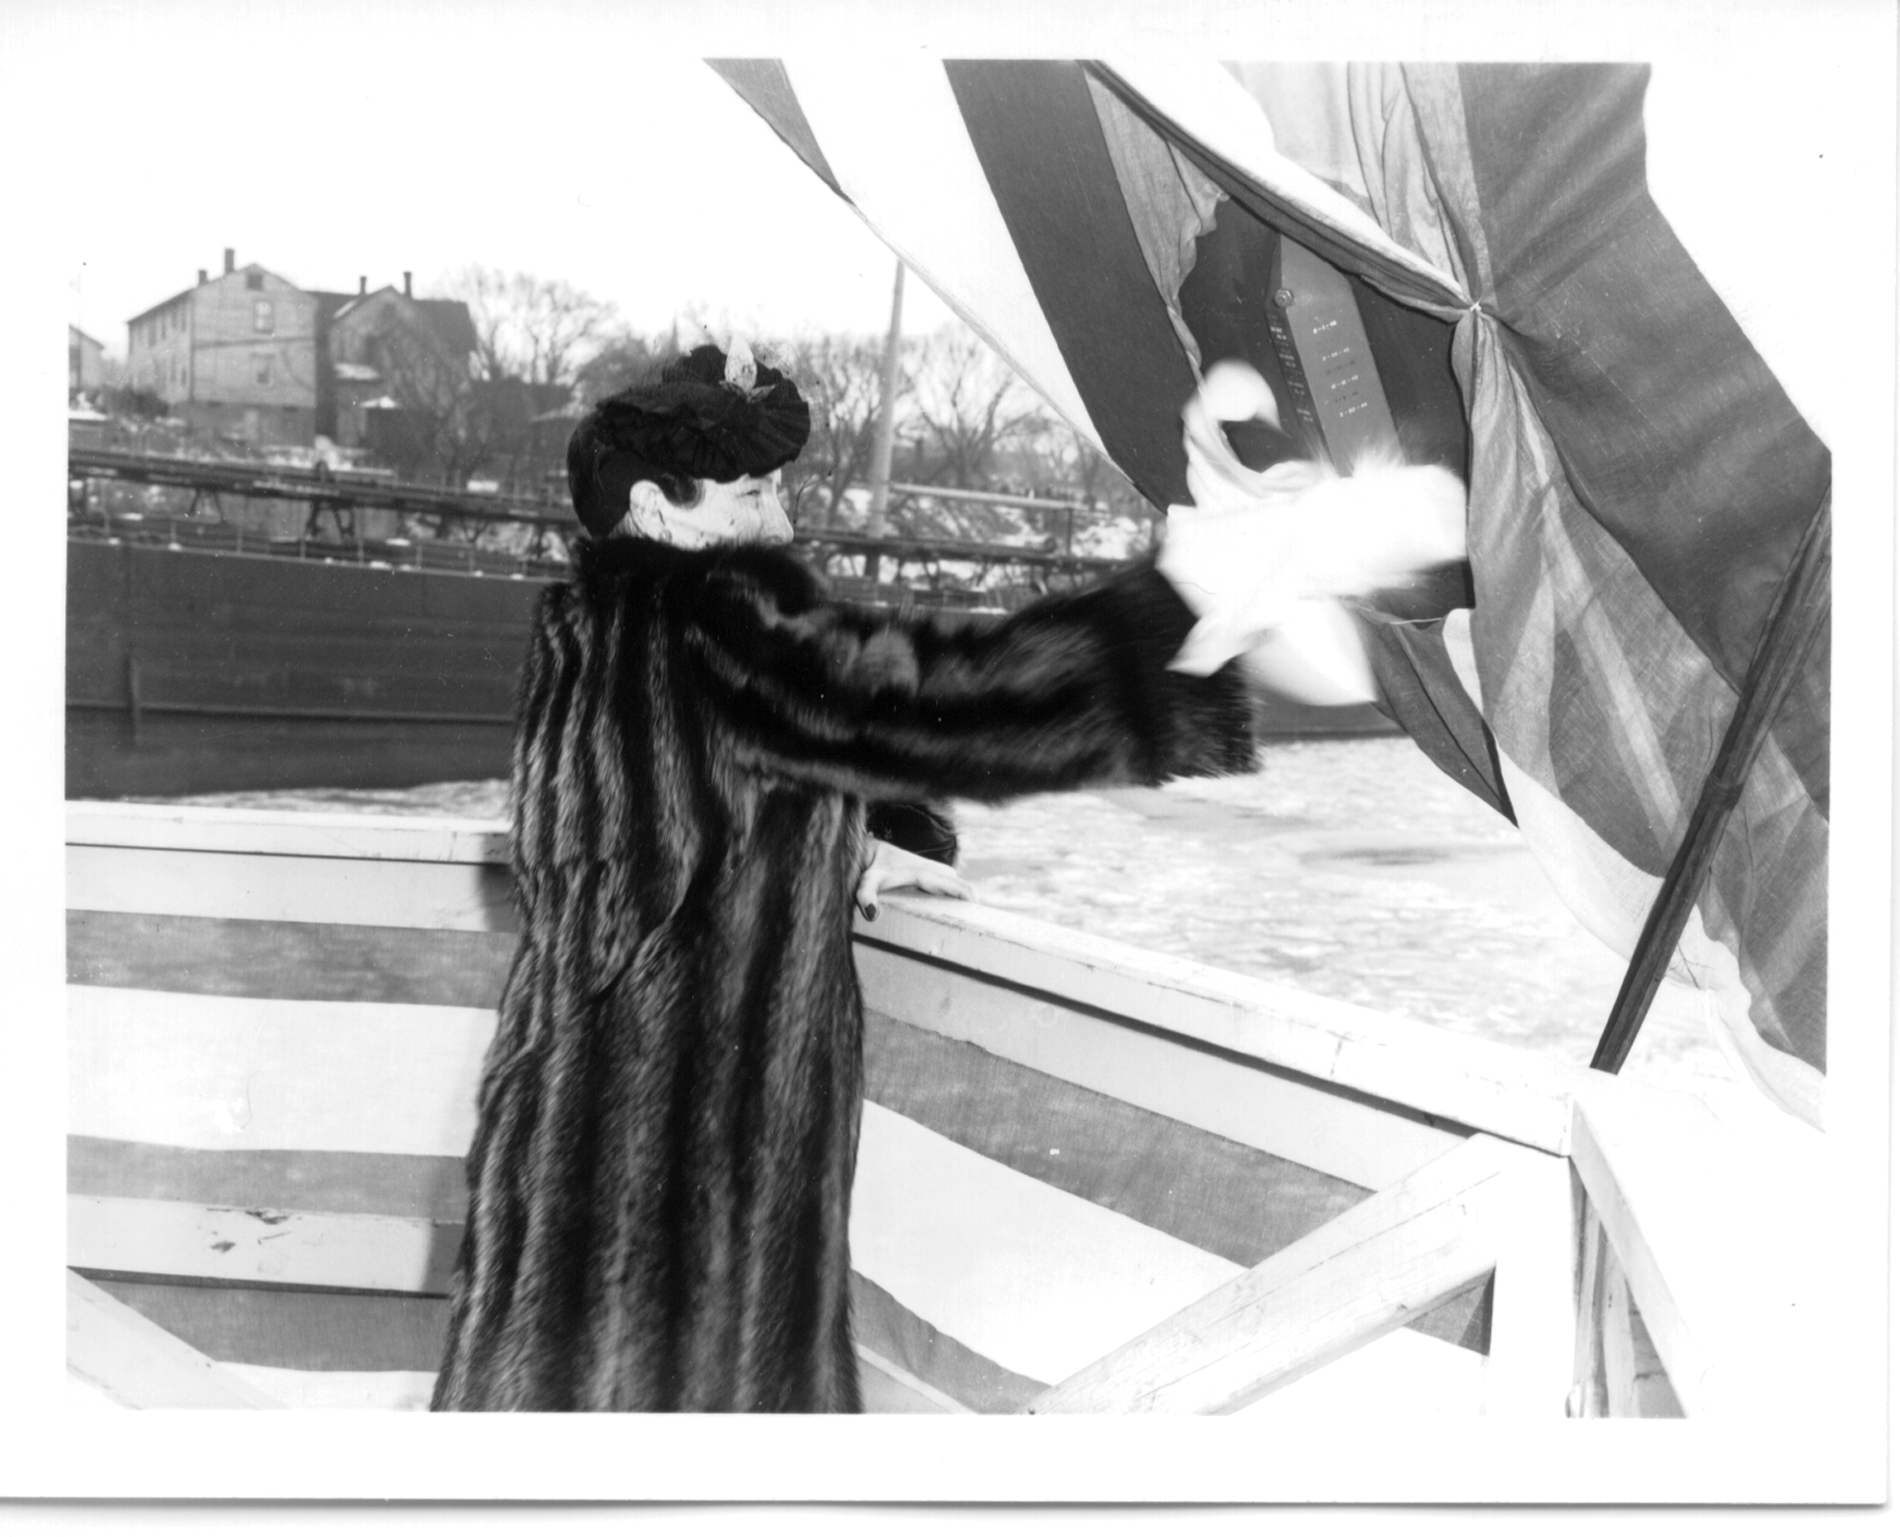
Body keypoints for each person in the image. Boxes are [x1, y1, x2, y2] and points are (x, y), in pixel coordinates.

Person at [430, 341, 1259, 1413]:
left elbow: (702, 799)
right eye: (750, 494)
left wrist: (867, 830)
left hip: (576, 1122)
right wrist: (1186, 605)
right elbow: (942, 701)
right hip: (685, 1161)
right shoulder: (711, 627)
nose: (781, 523)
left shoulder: (590, 636)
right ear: (656, 507)